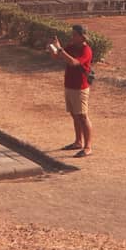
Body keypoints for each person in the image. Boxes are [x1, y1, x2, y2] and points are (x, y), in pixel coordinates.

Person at [50, 24, 93, 158]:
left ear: (82, 36)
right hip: (69, 85)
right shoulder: (72, 46)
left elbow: (74, 62)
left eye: (75, 35)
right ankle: (78, 141)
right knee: (74, 115)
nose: (72, 37)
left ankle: (88, 147)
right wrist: (53, 49)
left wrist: (60, 49)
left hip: (80, 88)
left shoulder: (86, 50)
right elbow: (57, 57)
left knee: (83, 116)